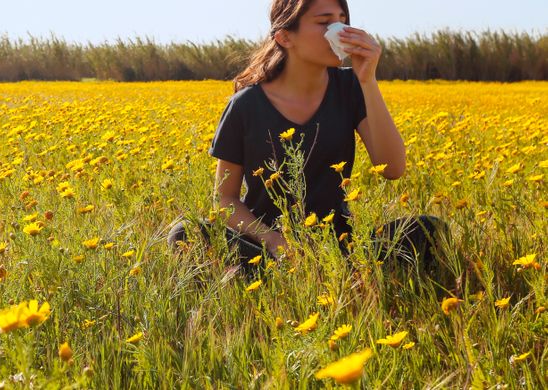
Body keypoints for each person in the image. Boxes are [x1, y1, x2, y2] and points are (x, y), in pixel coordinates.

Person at [166, 0, 449, 279]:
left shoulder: (351, 86)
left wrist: (368, 81)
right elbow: (225, 199)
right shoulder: (245, 105)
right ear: (285, 37)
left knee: (430, 230)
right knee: (185, 232)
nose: (339, 29)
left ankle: (327, 277)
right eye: (325, 21)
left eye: (342, 19)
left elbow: (393, 169)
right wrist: (276, 242)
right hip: (266, 248)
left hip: (343, 246)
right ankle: (287, 280)